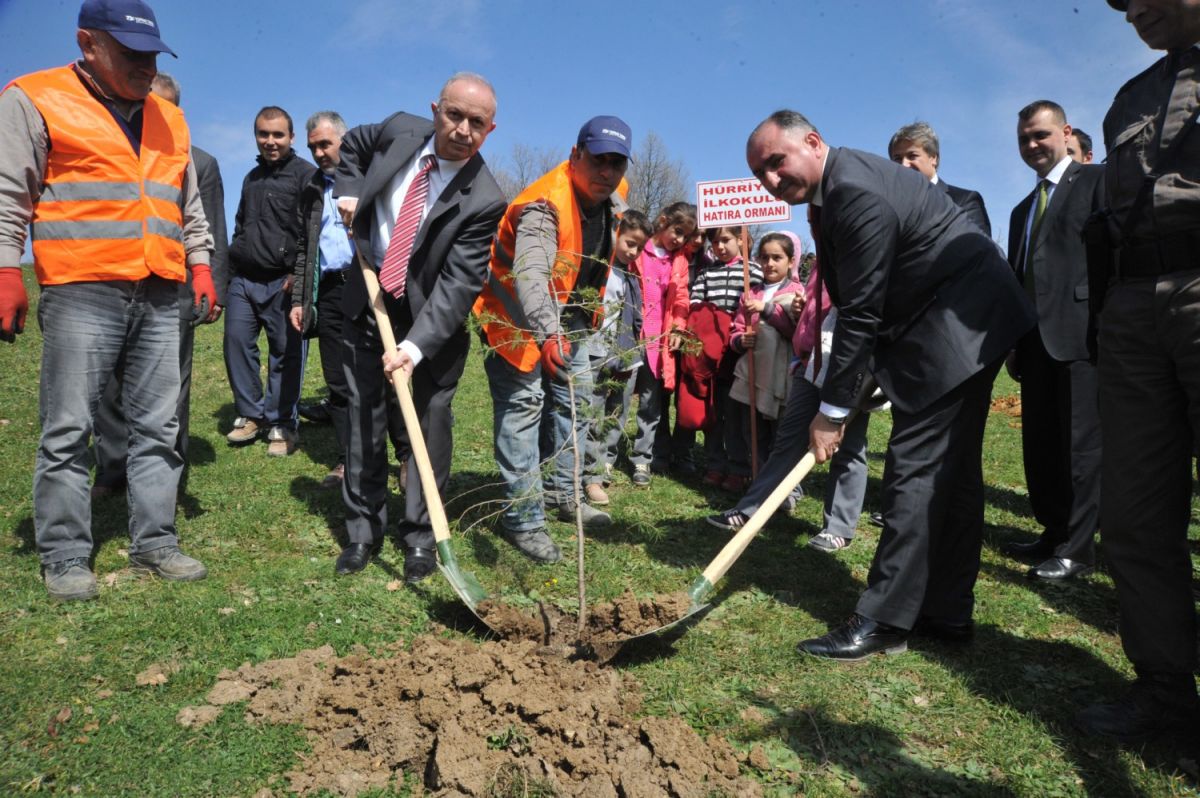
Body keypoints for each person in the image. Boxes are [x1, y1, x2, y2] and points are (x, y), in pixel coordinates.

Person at [746, 110, 1034, 660]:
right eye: (761, 173)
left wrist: (833, 411)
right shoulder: (835, 190)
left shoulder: (853, 191)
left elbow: (861, 311)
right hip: (962, 318)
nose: (771, 180)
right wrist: (863, 380)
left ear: (813, 141)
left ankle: (883, 620)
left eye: (777, 162)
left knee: (914, 470)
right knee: (953, 475)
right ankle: (946, 610)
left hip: (959, 325)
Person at [0, 0, 214, 600]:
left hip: (161, 287)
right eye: (131, 54)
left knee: (159, 425)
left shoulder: (169, 117)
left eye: (153, 56)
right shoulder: (34, 98)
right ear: (88, 44)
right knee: (69, 428)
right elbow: (8, 191)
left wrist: (200, 263)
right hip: (81, 289)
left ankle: (155, 541)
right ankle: (66, 554)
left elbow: (187, 203)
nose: (147, 67)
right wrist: (6, 268)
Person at [1076, 0, 1200, 743]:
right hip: (1131, 308)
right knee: (1134, 510)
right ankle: (1164, 689)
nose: (1132, 12)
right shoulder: (1132, 95)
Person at [328, 74, 504, 581]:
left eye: (477, 123)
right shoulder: (398, 131)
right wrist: (349, 190)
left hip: (430, 321)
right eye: (455, 115)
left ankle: (422, 538)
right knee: (362, 421)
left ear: (490, 130)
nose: (464, 130)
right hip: (369, 296)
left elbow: (459, 284)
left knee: (429, 426)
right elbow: (352, 147)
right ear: (435, 110)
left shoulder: (484, 198)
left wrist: (414, 347)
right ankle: (362, 532)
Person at [473, 116, 632, 562]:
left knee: (573, 404)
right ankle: (523, 518)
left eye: (616, 163)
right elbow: (531, 274)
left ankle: (564, 495)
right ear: (575, 155)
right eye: (598, 160)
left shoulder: (613, 197)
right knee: (523, 410)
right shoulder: (543, 205)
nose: (607, 171)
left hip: (571, 318)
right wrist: (548, 333)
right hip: (516, 318)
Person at [91, 70, 228, 499]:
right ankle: (113, 468)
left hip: (174, 291)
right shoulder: (109, 148)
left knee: (171, 386)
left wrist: (211, 285)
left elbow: (211, 227)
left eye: (160, 104)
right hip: (111, 284)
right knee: (110, 382)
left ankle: (169, 470)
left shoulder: (199, 161)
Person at [1001, 100, 1105, 581]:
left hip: (1082, 338)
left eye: (1040, 134)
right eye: (1024, 138)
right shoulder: (1022, 211)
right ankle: (1054, 530)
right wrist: (1014, 341)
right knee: (1042, 445)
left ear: (1066, 133)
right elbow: (1018, 277)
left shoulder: (1097, 182)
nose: (1032, 145)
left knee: (1081, 448)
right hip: (1033, 343)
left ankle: (1079, 549)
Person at [224, 106, 315, 456]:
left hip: (283, 280)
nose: (271, 141)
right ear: (256, 136)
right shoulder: (251, 178)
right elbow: (240, 224)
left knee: (285, 353)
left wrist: (298, 274)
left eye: (278, 134)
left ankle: (282, 422)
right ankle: (251, 414)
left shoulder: (306, 176)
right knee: (236, 343)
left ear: (291, 137)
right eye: (264, 134)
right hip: (244, 279)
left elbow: (311, 232)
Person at [290, 111, 354, 489]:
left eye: (325, 144)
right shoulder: (312, 189)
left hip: (366, 287)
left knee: (382, 374)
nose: (318, 153)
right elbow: (305, 247)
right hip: (328, 291)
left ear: (344, 141)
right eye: (312, 147)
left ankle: (406, 455)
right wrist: (300, 299)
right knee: (337, 379)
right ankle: (349, 459)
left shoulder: (365, 177)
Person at [582, 210, 651, 507]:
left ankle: (603, 464)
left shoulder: (631, 275)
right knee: (592, 414)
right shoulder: (599, 267)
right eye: (629, 243)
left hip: (624, 353)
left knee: (615, 413)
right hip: (594, 350)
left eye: (640, 247)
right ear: (615, 234)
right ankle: (589, 475)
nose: (633, 251)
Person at [686, 226, 761, 491]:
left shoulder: (753, 271)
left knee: (737, 412)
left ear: (740, 240)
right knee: (715, 410)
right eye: (715, 242)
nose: (719, 247)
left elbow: (760, 300)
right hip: (711, 350)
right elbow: (695, 304)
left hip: (739, 352)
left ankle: (740, 466)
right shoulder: (707, 273)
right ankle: (715, 463)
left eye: (725, 240)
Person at [628, 202, 696, 487]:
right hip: (630, 336)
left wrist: (678, 326)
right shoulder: (636, 248)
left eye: (685, 236)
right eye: (677, 231)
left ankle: (642, 458)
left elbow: (681, 298)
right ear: (663, 221)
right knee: (617, 398)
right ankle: (602, 458)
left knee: (651, 403)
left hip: (658, 343)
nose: (679, 239)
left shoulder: (679, 261)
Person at [728, 233, 804, 475]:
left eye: (777, 257)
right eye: (764, 257)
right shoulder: (750, 293)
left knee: (781, 433)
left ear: (791, 261)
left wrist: (768, 310)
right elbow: (737, 327)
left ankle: (783, 484)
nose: (769, 263)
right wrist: (740, 340)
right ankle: (759, 480)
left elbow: (796, 332)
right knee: (753, 431)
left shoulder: (798, 293)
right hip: (753, 374)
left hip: (782, 376)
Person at [888, 121, 992, 235]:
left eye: (912, 156)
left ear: (933, 158)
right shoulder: (887, 205)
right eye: (897, 159)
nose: (904, 165)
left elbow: (976, 244)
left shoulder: (964, 201)